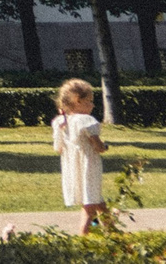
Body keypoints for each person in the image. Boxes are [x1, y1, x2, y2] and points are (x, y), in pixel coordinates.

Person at [51, 78, 106, 235]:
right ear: (78, 101)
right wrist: (104, 147)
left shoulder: (61, 121)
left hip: (72, 168)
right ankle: (85, 237)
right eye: (89, 101)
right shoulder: (86, 120)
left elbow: (58, 148)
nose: (92, 105)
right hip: (88, 166)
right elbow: (97, 145)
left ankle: (107, 230)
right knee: (89, 206)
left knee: (98, 202)